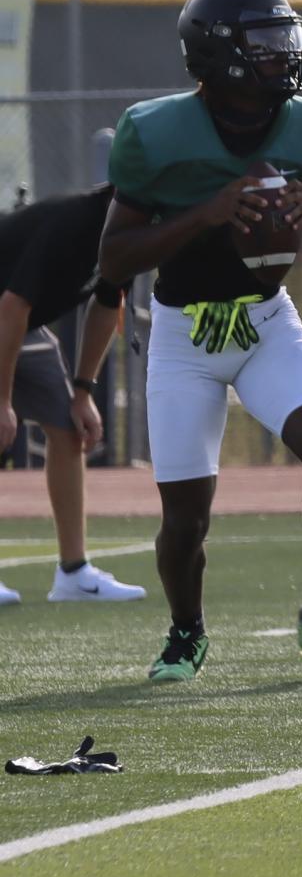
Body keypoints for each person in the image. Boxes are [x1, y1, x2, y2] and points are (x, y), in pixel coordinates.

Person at [99, 0, 302, 683]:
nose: (285, 54)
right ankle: (185, 631)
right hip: (184, 332)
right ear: (218, 54)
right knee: (186, 515)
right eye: (266, 41)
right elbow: (115, 256)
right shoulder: (156, 133)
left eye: (287, 37)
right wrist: (206, 214)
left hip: (264, 322)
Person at [0, 184, 140, 605]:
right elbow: (12, 305)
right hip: (9, 315)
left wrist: (82, 392)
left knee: (68, 428)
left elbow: (105, 304)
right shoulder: (73, 220)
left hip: (18, 325)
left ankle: (74, 574)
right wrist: (2, 401)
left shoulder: (129, 235)